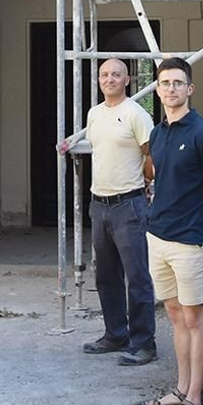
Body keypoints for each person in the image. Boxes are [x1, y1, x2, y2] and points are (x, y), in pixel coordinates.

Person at [142, 57, 203, 405]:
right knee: (176, 317)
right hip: (157, 237)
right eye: (165, 83)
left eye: (178, 82)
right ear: (158, 89)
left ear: (190, 88)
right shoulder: (157, 134)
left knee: (195, 319)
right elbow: (157, 179)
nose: (171, 89)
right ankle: (180, 388)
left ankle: (194, 398)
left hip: (189, 240)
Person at [81, 57, 157, 366]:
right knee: (106, 275)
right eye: (104, 74)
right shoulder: (94, 114)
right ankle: (115, 334)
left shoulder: (136, 114)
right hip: (99, 204)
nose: (109, 79)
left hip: (129, 205)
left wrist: (147, 183)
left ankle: (144, 343)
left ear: (127, 80)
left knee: (137, 277)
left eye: (116, 74)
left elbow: (151, 156)